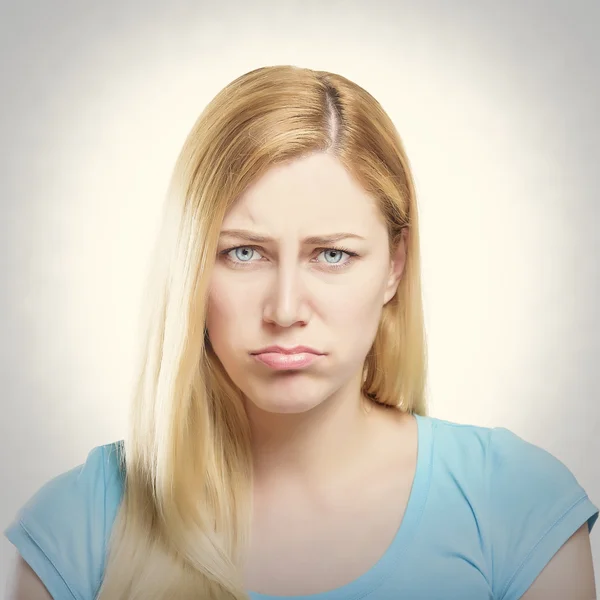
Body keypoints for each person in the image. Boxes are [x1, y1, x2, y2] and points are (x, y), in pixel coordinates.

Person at [4, 65, 598, 600]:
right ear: (189, 268)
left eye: (332, 255)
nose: (285, 308)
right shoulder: (75, 526)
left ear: (394, 267)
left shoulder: (515, 506)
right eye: (243, 253)